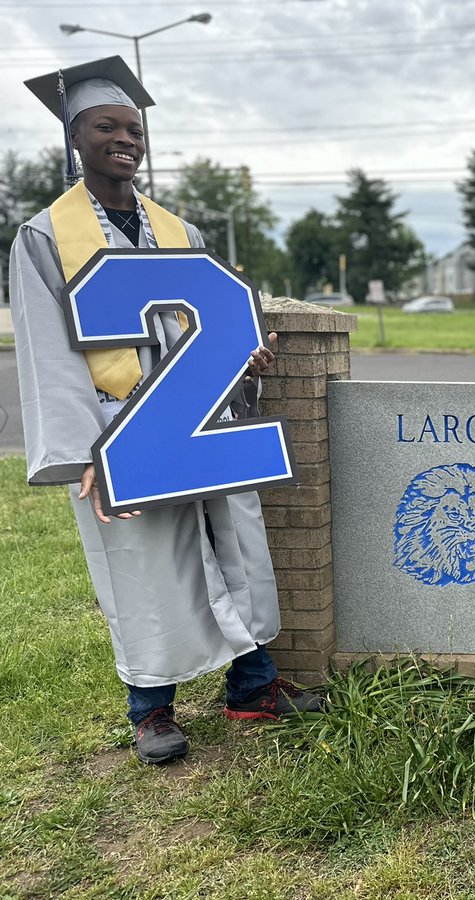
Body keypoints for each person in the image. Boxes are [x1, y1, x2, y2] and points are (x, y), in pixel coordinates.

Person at [11, 57, 325, 765]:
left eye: (133, 128)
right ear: (74, 137)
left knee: (233, 547)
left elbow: (199, 327)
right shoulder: (42, 237)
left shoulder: (175, 230)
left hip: (195, 415)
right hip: (122, 425)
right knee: (144, 563)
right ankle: (150, 710)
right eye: (105, 126)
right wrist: (85, 451)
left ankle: (254, 688)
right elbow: (46, 353)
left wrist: (241, 361)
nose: (124, 139)